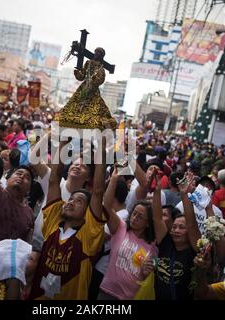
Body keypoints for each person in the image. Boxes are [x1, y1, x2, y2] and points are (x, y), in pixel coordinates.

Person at [28, 139, 107, 300]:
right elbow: (53, 179)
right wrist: (62, 142)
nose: (70, 202)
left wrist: (102, 149)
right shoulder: (51, 226)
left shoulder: (87, 238)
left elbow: (98, 191)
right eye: (70, 200)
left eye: (78, 201)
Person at [97, 166, 157, 300]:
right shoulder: (121, 228)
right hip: (106, 293)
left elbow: (155, 266)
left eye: (140, 216)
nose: (135, 218)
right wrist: (113, 180)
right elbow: (106, 207)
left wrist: (150, 269)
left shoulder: (152, 245)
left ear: (148, 223)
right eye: (134, 213)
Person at [153, 171, 201, 300]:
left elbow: (191, 224)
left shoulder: (194, 252)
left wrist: (185, 194)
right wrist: (157, 190)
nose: (176, 230)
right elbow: (157, 218)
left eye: (181, 227)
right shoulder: (165, 243)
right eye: (174, 227)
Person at [57, 47, 116, 129]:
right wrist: (77, 73)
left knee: (96, 106)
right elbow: (82, 76)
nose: (96, 54)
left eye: (98, 53)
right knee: (75, 103)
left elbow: (101, 80)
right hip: (84, 87)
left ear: (101, 56)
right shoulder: (88, 63)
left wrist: (95, 80)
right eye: (95, 52)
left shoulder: (101, 68)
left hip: (93, 89)